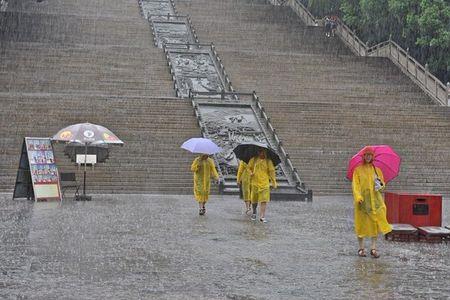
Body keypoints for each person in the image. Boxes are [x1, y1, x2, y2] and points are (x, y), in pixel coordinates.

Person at [352, 146, 392, 258]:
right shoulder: (358, 170)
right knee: (361, 224)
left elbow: (382, 186)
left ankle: (373, 248)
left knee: (375, 223)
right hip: (363, 201)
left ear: (372, 156)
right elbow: (356, 185)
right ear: (363, 156)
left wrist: (380, 185)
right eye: (366, 155)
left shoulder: (377, 170)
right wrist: (358, 197)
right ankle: (361, 248)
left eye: (370, 155)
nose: (368, 157)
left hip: (375, 201)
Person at [248, 148, 278, 223]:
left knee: (264, 200)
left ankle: (262, 216)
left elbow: (272, 172)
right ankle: (254, 212)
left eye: (263, 152)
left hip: (264, 183)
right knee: (254, 200)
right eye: (260, 152)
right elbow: (248, 168)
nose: (262, 153)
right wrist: (250, 173)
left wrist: (274, 182)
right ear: (258, 152)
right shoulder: (253, 160)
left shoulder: (268, 161)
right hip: (255, 183)